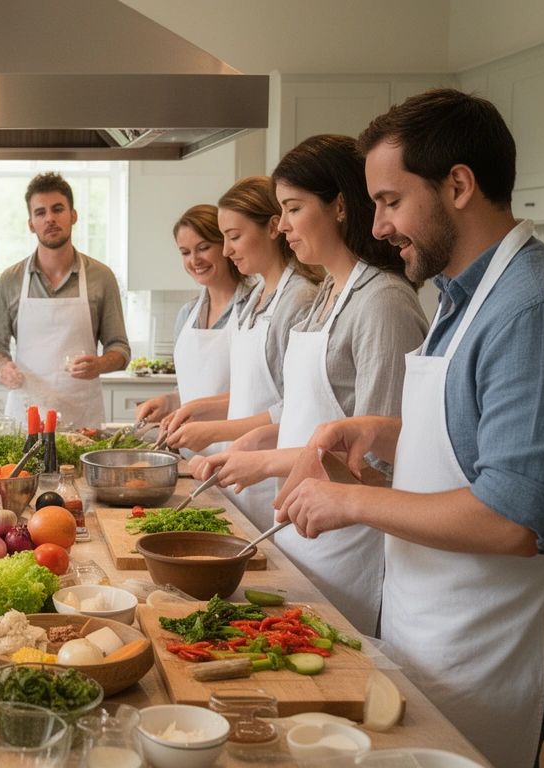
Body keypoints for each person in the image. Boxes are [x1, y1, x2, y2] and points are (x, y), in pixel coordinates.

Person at [279, 89, 544, 767]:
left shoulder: (535, 312)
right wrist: (383, 431)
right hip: (433, 628)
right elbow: (474, 446)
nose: (376, 227)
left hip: (491, 646)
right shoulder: (465, 298)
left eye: (391, 201)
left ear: (458, 184)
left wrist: (347, 499)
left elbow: (512, 520)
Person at [195, 135, 428, 634]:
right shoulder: (327, 292)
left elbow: (375, 463)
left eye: (293, 208)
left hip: (350, 545)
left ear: (340, 206)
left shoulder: (382, 302)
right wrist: (265, 436)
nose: (280, 225)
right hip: (303, 528)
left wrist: (262, 462)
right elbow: (314, 414)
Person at [165, 177, 321, 527]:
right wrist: (194, 408)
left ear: (272, 228)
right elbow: (252, 392)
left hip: (270, 475)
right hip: (240, 475)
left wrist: (215, 431)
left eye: (232, 237)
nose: (225, 250)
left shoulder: (300, 299)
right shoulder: (256, 298)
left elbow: (291, 407)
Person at [0, 172, 131, 430]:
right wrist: (2, 368)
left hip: (83, 418)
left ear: (73, 216)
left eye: (57, 209)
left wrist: (99, 364)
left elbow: (120, 349)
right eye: (40, 212)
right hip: (26, 418)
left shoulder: (101, 277)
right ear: (31, 223)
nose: (50, 218)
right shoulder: (11, 279)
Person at [135, 205, 255, 455]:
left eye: (203, 248)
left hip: (241, 455)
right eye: (185, 252)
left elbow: (261, 393)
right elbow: (193, 387)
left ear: (225, 246)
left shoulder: (254, 309)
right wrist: (169, 401)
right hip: (192, 458)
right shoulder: (187, 315)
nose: (194, 260)